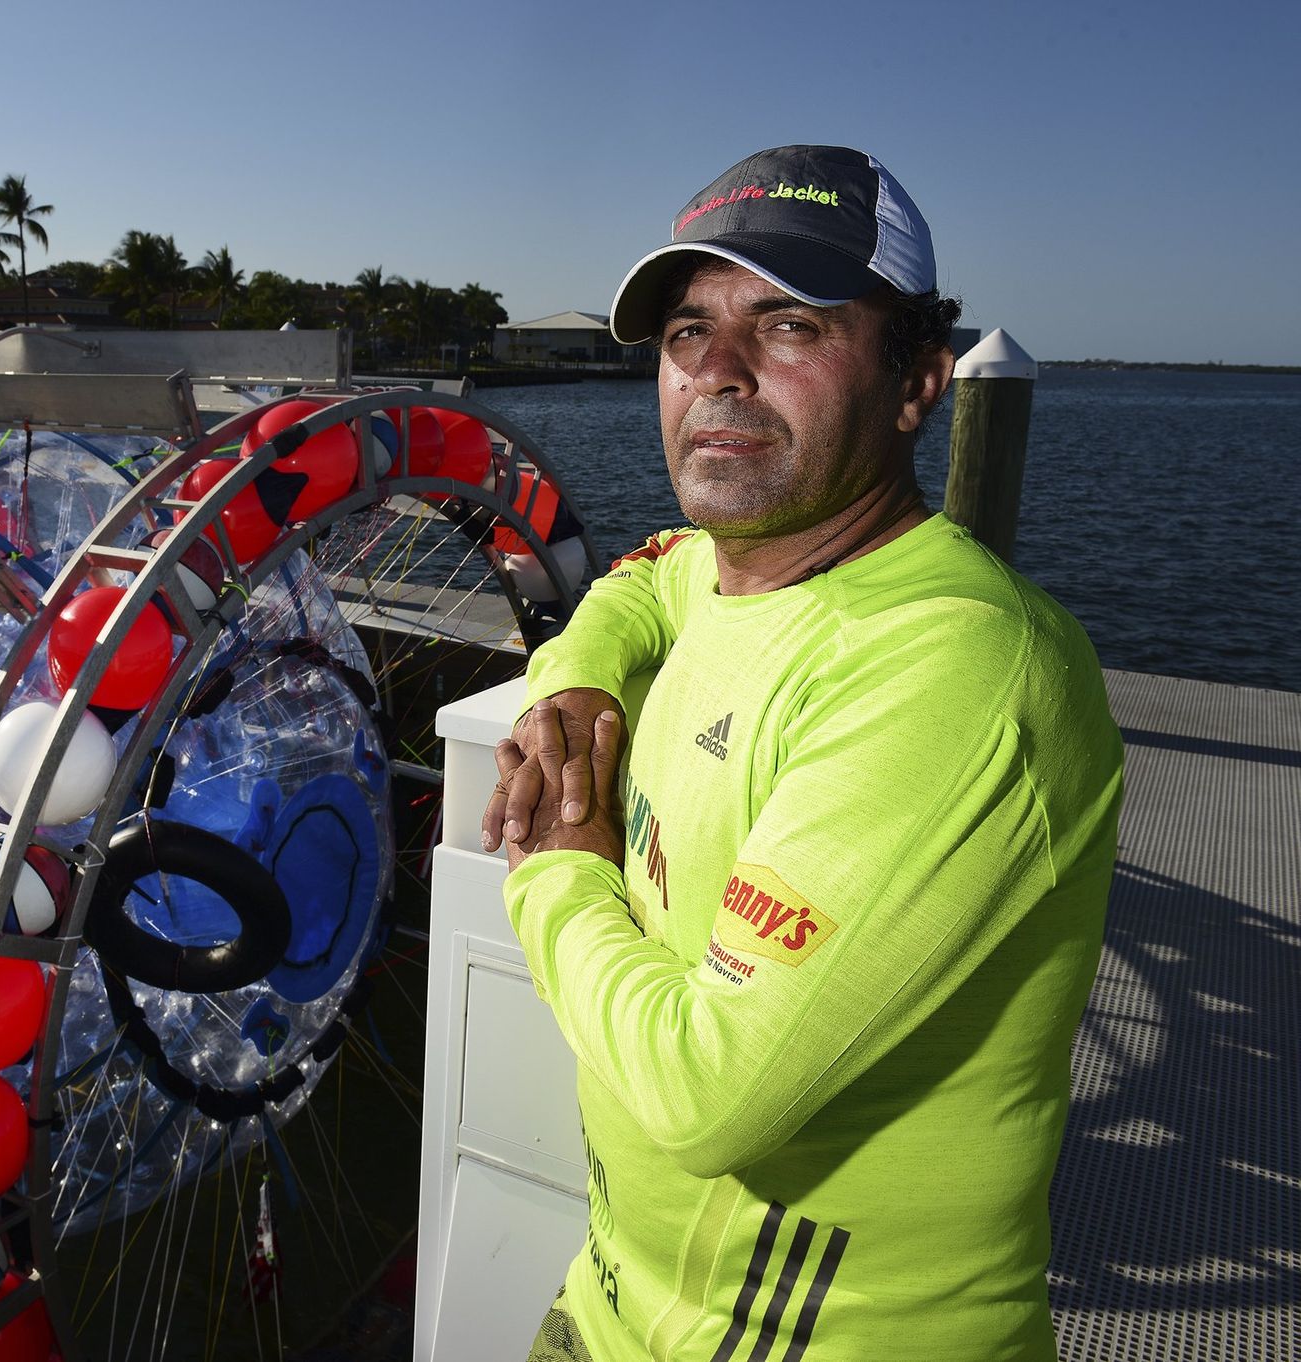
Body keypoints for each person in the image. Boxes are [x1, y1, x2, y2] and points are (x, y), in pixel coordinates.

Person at [478, 146, 1124, 1361]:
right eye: (685, 330)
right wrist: (569, 688)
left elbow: (700, 1090)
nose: (717, 371)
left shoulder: (960, 672)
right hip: (608, 1307)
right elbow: (644, 580)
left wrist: (557, 855)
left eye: (789, 323)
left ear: (918, 382)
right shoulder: (739, 569)